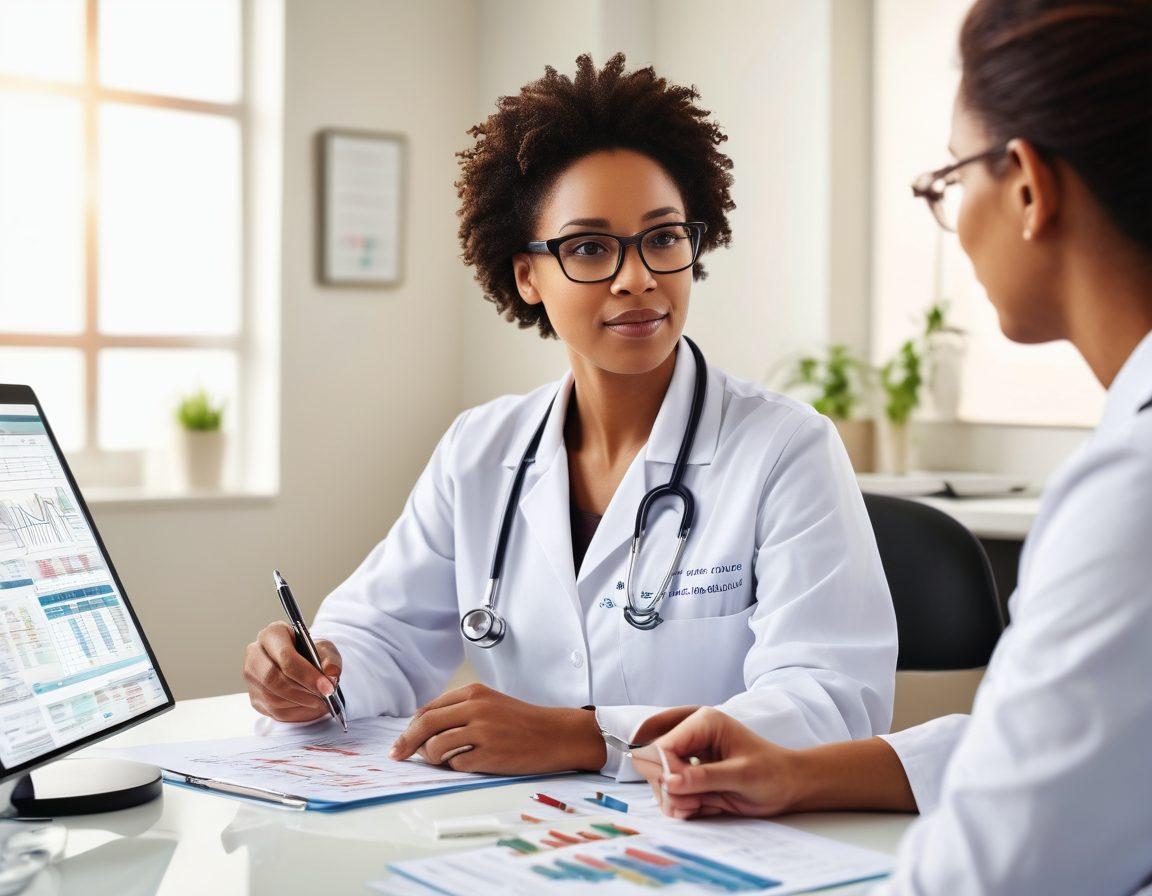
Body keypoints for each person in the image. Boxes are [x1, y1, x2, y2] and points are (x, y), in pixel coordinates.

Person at [242, 54, 897, 780]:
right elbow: (381, 635)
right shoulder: (480, 450)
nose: (639, 277)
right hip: (523, 836)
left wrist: (596, 739)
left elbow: (831, 702)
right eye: (589, 247)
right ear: (526, 276)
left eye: (664, 237)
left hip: (714, 843)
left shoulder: (784, 449)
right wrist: (313, 675)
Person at [633, 0, 1152, 892]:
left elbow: (991, 868)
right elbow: (1061, 746)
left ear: (1028, 185)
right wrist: (801, 771)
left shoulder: (1130, 495)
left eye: (950, 177)